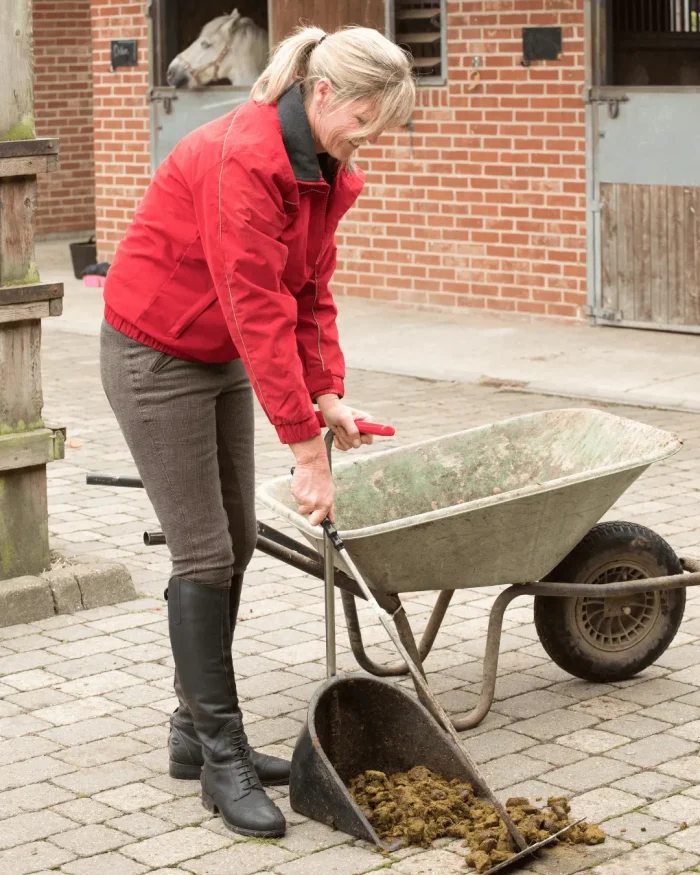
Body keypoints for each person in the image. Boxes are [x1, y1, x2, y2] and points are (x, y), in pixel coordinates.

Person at [100, 24, 415, 839]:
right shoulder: (246, 159)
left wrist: (328, 392)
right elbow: (254, 304)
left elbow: (306, 294)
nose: (368, 140)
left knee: (234, 540)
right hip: (155, 352)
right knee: (203, 552)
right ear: (323, 94)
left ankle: (188, 733)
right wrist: (306, 448)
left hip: (219, 352)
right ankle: (222, 757)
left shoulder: (316, 166)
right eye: (366, 119)